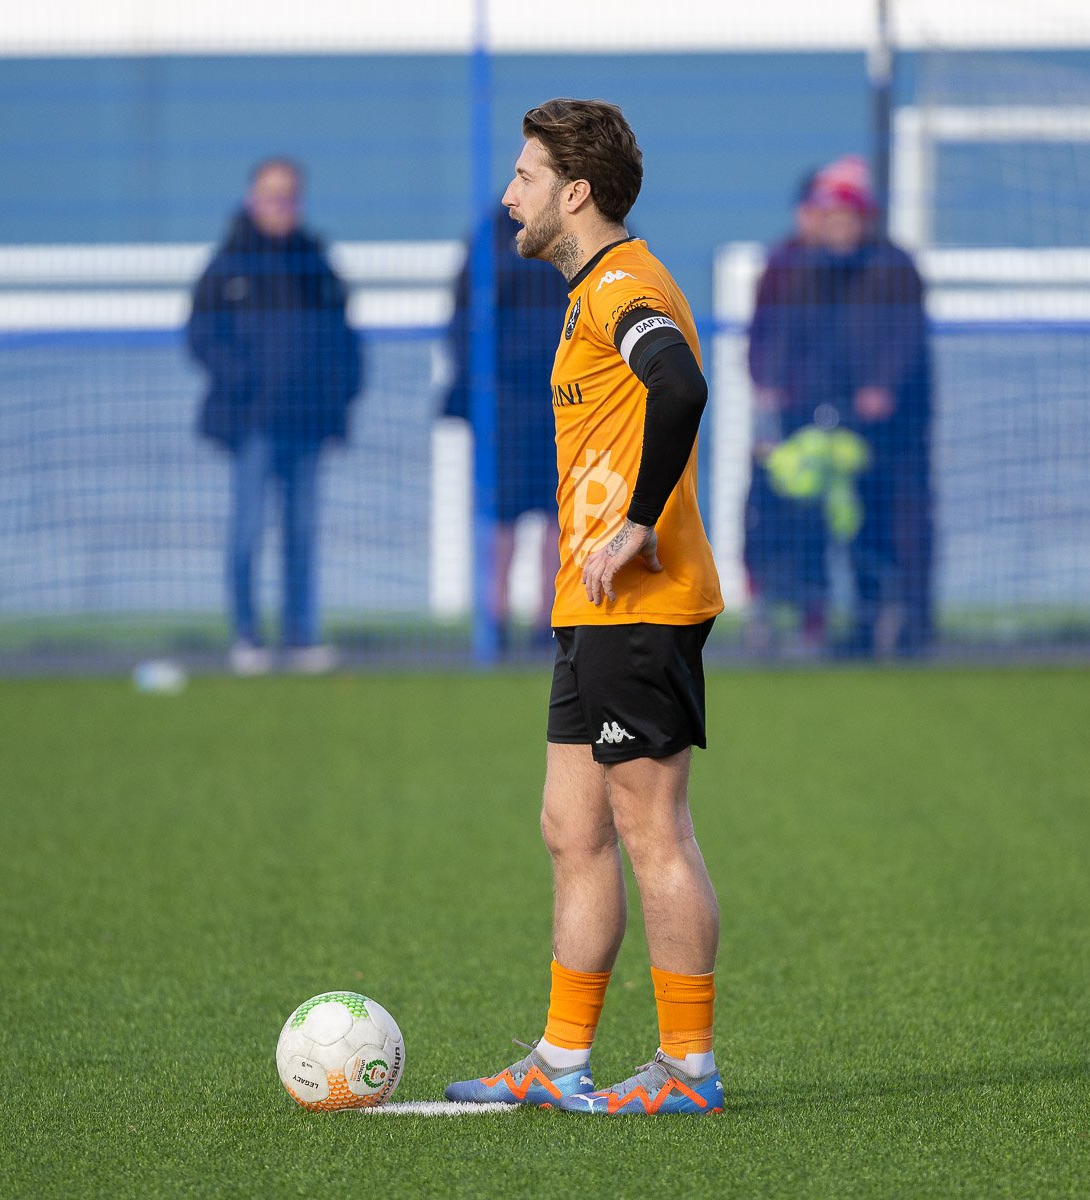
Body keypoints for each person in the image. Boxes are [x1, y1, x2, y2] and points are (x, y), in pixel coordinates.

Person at [445, 98, 726, 1116]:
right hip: (590, 611)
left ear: (575, 192)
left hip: (640, 606)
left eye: (524, 175)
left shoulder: (623, 285)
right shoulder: (585, 293)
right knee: (571, 827)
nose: (508, 193)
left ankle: (688, 1068)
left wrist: (640, 521)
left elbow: (683, 388)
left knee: (654, 828)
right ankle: (563, 1059)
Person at [188, 158, 362, 675]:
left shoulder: (315, 262)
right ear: (251, 200)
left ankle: (299, 634)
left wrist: (341, 394)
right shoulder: (228, 265)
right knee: (247, 530)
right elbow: (200, 336)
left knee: (301, 532)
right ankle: (247, 635)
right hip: (251, 425)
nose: (281, 207)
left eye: (289, 197)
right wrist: (241, 380)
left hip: (308, 420)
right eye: (271, 196)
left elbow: (344, 338)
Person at [806, 157, 933, 658]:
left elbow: (906, 339)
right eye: (829, 218)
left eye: (845, 218)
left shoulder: (895, 267)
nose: (837, 229)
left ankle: (911, 628)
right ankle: (861, 623)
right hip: (846, 423)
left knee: (903, 524)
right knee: (853, 525)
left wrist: (883, 386)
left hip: (897, 428)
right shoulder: (819, 271)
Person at [444, 208, 567, 649]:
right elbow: (462, 318)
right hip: (505, 400)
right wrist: (476, 384)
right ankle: (492, 622)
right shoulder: (492, 236)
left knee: (564, 510)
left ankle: (551, 619)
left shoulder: (589, 225)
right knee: (501, 513)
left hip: (569, 398)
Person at [743, 169, 834, 655]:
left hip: (819, 414)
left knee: (814, 520)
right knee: (764, 515)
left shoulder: (842, 269)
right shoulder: (782, 263)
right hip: (778, 411)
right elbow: (761, 338)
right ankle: (764, 612)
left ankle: (811, 620)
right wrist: (765, 392)